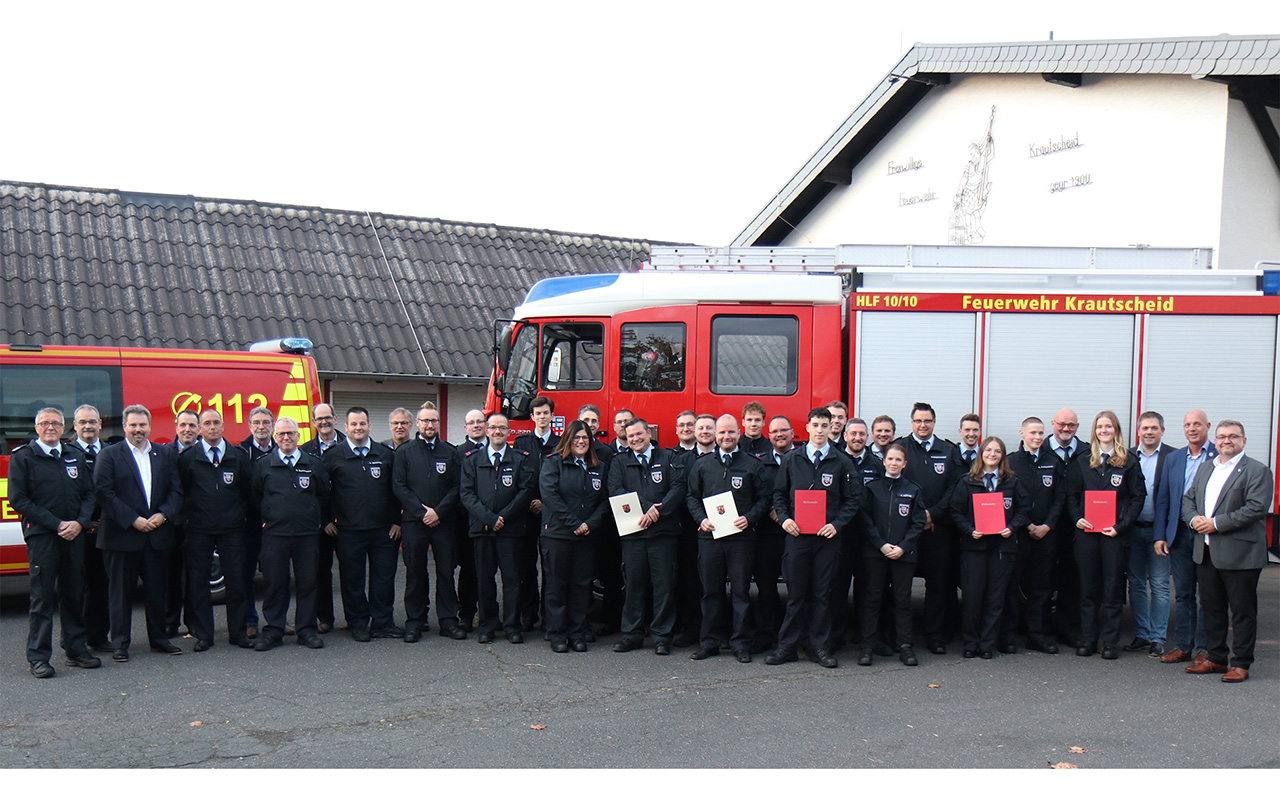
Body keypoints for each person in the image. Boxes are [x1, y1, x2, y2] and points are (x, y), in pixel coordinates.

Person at [766, 407, 860, 668]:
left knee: (821, 595)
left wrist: (837, 524)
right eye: (815, 425)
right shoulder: (792, 459)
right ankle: (787, 647)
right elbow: (778, 494)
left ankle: (819, 646)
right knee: (796, 594)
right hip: (797, 538)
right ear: (807, 428)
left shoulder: (842, 462)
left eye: (824, 425)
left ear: (832, 428)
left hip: (827, 539)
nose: (820, 430)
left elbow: (853, 500)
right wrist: (785, 519)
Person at [9, 408, 98, 678]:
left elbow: (89, 494)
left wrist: (80, 523)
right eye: (44, 423)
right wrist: (57, 524)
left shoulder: (74, 455)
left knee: (73, 594)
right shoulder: (23, 457)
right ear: (36, 427)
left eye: (56, 424)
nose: (50, 427)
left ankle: (76, 650)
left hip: (74, 535)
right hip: (43, 536)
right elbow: (19, 499)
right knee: (42, 598)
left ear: (64, 428)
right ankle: (38, 657)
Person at [1181, 420, 1272, 683]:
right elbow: (1189, 499)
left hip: (1240, 554)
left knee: (1242, 611)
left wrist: (1216, 524)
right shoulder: (1207, 467)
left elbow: (1256, 507)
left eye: (1233, 436)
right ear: (1215, 440)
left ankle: (1241, 663)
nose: (1226, 441)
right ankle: (1216, 658)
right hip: (1207, 551)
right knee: (1212, 608)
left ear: (1244, 441)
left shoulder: (1257, 470)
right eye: (1221, 436)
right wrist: (1194, 519)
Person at [94, 404, 184, 661]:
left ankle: (158, 639)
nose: (138, 429)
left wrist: (163, 514)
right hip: (122, 536)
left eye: (142, 425)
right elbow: (104, 493)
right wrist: (133, 520)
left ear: (150, 426)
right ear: (124, 427)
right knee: (120, 593)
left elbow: (176, 491)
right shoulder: (109, 455)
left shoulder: (164, 454)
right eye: (133, 425)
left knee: (157, 592)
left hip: (156, 534)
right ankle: (120, 643)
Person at [685, 414, 769, 662]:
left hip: (741, 539)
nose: (726, 437)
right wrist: (701, 519)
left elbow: (764, 498)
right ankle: (709, 642)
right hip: (710, 539)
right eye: (721, 433)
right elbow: (691, 496)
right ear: (715, 435)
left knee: (741, 593)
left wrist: (750, 518)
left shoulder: (753, 465)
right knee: (710, 592)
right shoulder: (702, 465)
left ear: (739, 433)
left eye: (731, 432)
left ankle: (740, 643)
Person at [1066, 410, 1146, 660]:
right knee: (1088, 589)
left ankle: (1110, 642)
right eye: (1100, 427)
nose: (1104, 431)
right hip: (1087, 535)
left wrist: (1121, 525)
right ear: (1094, 431)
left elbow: (1137, 497)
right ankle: (1089, 639)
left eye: (1108, 427)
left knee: (1112, 589)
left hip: (1114, 535)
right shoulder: (1082, 460)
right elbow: (1072, 495)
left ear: (1116, 430)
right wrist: (1077, 517)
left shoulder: (1129, 461)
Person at [608, 417, 687, 655]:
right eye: (630, 436)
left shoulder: (668, 458)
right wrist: (646, 508)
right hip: (634, 534)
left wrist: (658, 511)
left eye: (639, 434)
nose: (635, 439)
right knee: (633, 585)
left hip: (663, 533)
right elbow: (615, 490)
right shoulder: (619, 462)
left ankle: (662, 636)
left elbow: (679, 487)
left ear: (649, 434)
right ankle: (632, 634)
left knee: (664, 586)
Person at [323, 407, 403, 641]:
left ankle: (382, 623)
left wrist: (397, 521)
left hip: (384, 531)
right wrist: (326, 520)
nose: (358, 428)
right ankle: (358, 623)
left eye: (362, 423)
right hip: (348, 531)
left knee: (384, 579)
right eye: (354, 424)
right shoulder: (333, 456)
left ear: (369, 426)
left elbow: (396, 491)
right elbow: (321, 492)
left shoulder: (385, 455)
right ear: (345, 427)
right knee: (352, 580)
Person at [251, 417, 330, 651]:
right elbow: (255, 497)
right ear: (275, 437)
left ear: (298, 436)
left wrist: (313, 517)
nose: (286, 438)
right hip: (275, 534)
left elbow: (323, 494)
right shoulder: (264, 465)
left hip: (306, 535)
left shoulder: (313, 463)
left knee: (307, 583)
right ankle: (274, 630)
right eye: (281, 434)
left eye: (290, 433)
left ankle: (306, 630)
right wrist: (270, 515)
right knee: (275, 583)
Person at [177, 409, 252, 651]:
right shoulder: (188, 457)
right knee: (198, 583)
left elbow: (247, 492)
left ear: (223, 426)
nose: (212, 427)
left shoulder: (238, 456)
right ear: (200, 428)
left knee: (236, 581)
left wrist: (241, 518)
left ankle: (238, 633)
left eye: (216, 422)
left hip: (232, 530)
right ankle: (204, 635)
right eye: (206, 423)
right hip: (199, 530)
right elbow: (183, 492)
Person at [459, 413, 536, 644]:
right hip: (482, 529)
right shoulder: (472, 459)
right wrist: (489, 518)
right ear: (486, 430)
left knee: (512, 580)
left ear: (509, 431)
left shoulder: (520, 459)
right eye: (493, 428)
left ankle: (512, 626)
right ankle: (487, 625)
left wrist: (503, 517)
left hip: (511, 531)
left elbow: (526, 491)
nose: (497, 432)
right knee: (484, 580)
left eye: (502, 428)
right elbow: (466, 493)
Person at [392, 402, 465, 641]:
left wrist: (439, 512)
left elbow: (457, 487)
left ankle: (448, 620)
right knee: (415, 572)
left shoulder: (450, 452)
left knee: (446, 572)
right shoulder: (405, 452)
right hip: (414, 522)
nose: (430, 424)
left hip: (444, 523)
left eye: (434, 420)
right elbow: (399, 486)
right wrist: (421, 512)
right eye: (425, 421)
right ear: (418, 424)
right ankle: (415, 621)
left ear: (438, 423)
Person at [950, 436, 1028, 659]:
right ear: (981, 453)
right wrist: (968, 530)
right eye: (988, 451)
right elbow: (955, 510)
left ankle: (987, 644)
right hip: (974, 547)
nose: (992, 455)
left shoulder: (1012, 481)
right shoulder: (967, 481)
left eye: (997, 451)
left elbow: (1023, 509)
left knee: (995, 598)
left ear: (1003, 455)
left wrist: (1011, 527)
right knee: (973, 597)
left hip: (1002, 547)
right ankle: (970, 643)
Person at [897, 402, 965, 654]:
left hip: (938, 529)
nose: (922, 425)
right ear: (911, 422)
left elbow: (955, 488)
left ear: (934, 423)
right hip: (907, 529)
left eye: (927, 421)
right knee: (902, 587)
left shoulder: (948, 450)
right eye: (918, 421)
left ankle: (934, 636)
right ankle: (901, 637)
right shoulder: (900, 447)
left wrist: (932, 513)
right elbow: (894, 485)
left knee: (937, 585)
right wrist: (917, 517)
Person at [538, 420, 608, 653]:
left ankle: (578, 633)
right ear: (568, 439)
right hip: (558, 535)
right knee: (557, 586)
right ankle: (557, 634)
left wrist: (590, 524)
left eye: (585, 438)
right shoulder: (553, 463)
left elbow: (605, 501)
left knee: (581, 586)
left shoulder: (599, 467)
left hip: (586, 536)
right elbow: (550, 497)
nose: (581, 441)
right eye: (576, 437)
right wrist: (574, 523)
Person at [1154, 410, 1215, 665]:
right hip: (1179, 534)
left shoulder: (1218, 456)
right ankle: (1182, 646)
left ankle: (1205, 648)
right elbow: (1164, 498)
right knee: (1184, 594)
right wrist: (1160, 535)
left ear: (1207, 426)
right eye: (1188, 424)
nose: (1192, 428)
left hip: (1207, 534)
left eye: (1197, 424)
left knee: (1208, 595)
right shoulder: (1174, 458)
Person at [857, 443, 925, 667]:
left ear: (904, 464)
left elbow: (918, 523)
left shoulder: (913, 489)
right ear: (883, 462)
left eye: (898, 460)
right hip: (876, 553)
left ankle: (904, 645)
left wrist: (903, 547)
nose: (894, 463)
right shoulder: (872, 488)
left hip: (903, 554)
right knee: (873, 599)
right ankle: (867, 646)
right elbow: (865, 520)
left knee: (902, 600)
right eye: (890, 459)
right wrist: (881, 545)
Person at [1001, 417, 1065, 654]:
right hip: (1018, 533)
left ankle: (1036, 635)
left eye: (1040, 433)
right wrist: (1027, 524)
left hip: (1046, 535)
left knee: (1041, 587)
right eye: (1033, 433)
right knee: (1011, 585)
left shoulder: (1053, 462)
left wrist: (1047, 525)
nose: (1037, 437)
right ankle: (1007, 635)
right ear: (1022, 434)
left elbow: (1060, 498)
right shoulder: (1010, 462)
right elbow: (1006, 499)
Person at [830, 418, 884, 650]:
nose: (857, 438)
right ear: (845, 436)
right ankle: (836, 636)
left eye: (862, 434)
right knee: (837, 589)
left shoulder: (877, 465)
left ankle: (867, 638)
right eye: (853, 434)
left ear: (867, 437)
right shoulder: (837, 462)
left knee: (868, 590)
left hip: (868, 537)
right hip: (841, 535)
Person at [1125, 411, 1174, 655]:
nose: (1149, 432)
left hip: (1159, 532)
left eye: (1154, 428)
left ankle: (1158, 637)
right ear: (1139, 431)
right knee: (1135, 584)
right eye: (1145, 428)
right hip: (1133, 530)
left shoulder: (1173, 457)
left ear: (1162, 431)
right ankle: (1141, 634)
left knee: (1160, 585)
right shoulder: (1127, 456)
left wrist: (1164, 533)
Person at [513, 395, 561, 632]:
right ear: (531, 417)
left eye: (546, 413)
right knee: (526, 567)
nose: (542, 417)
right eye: (538, 413)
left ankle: (548, 617)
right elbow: (518, 478)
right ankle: (528, 615)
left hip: (552, 516)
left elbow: (561, 481)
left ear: (552, 415)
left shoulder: (561, 443)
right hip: (526, 515)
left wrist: (545, 502)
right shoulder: (521, 444)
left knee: (550, 569)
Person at [750, 415, 795, 653]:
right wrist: (771, 510)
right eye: (775, 431)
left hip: (796, 533)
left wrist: (787, 513)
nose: (779, 434)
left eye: (784, 430)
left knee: (795, 588)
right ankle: (765, 635)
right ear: (769, 435)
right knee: (765, 588)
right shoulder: (760, 463)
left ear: (792, 433)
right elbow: (756, 492)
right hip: (767, 533)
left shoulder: (801, 459)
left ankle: (793, 636)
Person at [67, 404, 110, 652]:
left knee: (101, 585)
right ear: (75, 425)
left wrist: (103, 521)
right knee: (74, 587)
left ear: (100, 424)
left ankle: (98, 637)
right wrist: (85, 522)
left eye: (92, 421)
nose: (87, 426)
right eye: (82, 422)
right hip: (77, 530)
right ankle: (74, 640)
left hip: (105, 528)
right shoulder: (66, 452)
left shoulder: (111, 451)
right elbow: (67, 493)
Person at [302, 403, 345, 635]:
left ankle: (356, 618)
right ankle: (325, 617)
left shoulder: (349, 445)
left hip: (348, 520)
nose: (324, 422)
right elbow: (311, 493)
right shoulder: (306, 451)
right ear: (313, 422)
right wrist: (324, 520)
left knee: (350, 571)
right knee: (321, 571)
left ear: (335, 419)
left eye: (328, 417)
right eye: (319, 419)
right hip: (322, 523)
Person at [1048, 408, 1086, 648]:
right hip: (1046, 526)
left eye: (1071, 425)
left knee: (1073, 579)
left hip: (1077, 525)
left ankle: (1068, 628)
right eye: (1061, 424)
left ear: (1077, 427)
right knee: (1042, 579)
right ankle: (1042, 629)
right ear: (1053, 424)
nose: (1066, 429)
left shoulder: (1086, 451)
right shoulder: (1039, 449)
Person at [580, 404, 620, 635]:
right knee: (582, 575)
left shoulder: (606, 453)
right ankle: (583, 621)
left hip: (602, 523)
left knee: (608, 572)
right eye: (587, 420)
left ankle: (609, 621)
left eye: (595, 421)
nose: (591, 424)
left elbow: (608, 490)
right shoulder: (566, 451)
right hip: (577, 525)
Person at [238, 406, 275, 640]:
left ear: (272, 425)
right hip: (249, 524)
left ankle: (276, 619)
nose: (261, 427)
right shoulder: (240, 452)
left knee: (274, 575)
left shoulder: (282, 448)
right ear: (250, 426)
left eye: (266, 422)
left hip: (275, 524)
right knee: (247, 575)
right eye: (257, 422)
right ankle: (250, 620)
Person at [163, 409, 200, 638]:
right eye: (183, 425)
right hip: (171, 524)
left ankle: (194, 623)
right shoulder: (165, 453)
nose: (187, 429)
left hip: (197, 523)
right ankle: (170, 622)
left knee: (195, 577)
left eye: (192, 425)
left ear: (199, 429)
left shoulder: (204, 453)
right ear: (176, 426)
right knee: (170, 576)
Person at [455, 408, 489, 631]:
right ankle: (466, 614)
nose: (476, 425)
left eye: (480, 421)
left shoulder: (501, 449)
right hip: (467, 522)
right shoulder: (456, 453)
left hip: (497, 522)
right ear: (465, 427)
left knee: (492, 571)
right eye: (472, 422)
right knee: (469, 571)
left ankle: (490, 616)